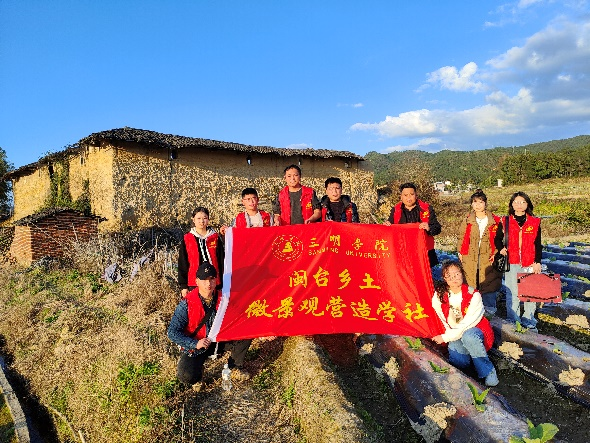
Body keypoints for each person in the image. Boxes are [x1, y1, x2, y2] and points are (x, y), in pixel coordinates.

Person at [167, 262, 250, 391]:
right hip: (198, 345)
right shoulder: (186, 304)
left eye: (211, 279)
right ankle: (199, 375)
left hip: (219, 341)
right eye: (204, 280)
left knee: (246, 333)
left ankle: (234, 367)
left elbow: (243, 318)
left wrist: (264, 332)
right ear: (196, 281)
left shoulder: (224, 298)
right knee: (185, 376)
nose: (208, 283)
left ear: (216, 280)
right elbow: (172, 332)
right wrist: (194, 344)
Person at [431, 260, 498, 387]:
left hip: (475, 330)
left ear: (462, 274)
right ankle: (472, 362)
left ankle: (488, 370)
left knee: (469, 337)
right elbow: (439, 315)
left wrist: (446, 337)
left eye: (456, 274)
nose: (453, 278)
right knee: (460, 362)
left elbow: (466, 324)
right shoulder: (440, 294)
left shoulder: (473, 295)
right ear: (444, 278)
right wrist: (448, 333)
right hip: (454, 332)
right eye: (449, 276)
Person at [495, 191, 542, 330]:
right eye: (516, 202)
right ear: (511, 204)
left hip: (529, 262)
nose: (519, 205)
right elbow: (497, 238)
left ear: (527, 204)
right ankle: (513, 320)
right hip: (512, 261)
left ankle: (529, 320)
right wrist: (501, 248)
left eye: (522, 202)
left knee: (530, 292)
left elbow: (538, 244)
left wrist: (537, 261)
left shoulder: (534, 221)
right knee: (512, 292)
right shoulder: (505, 221)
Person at [457, 189, 503, 314]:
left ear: (485, 204)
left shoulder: (495, 220)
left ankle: (490, 312)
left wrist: (496, 253)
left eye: (481, 202)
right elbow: (461, 236)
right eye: (475, 202)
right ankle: (471, 311)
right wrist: (460, 252)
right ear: (472, 204)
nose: (478, 205)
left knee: (489, 281)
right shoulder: (467, 220)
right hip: (470, 256)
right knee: (470, 281)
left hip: (488, 256)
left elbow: (500, 239)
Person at [383, 182, 441, 267]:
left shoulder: (427, 209)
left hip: (423, 251)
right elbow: (390, 228)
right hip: (402, 251)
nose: (409, 198)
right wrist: (386, 225)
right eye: (405, 195)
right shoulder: (395, 211)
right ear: (401, 197)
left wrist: (429, 228)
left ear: (416, 195)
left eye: (411, 194)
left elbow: (437, 228)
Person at [178, 207, 224, 298]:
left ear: (208, 219)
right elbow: (183, 263)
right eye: (198, 218)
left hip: (214, 281)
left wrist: (223, 283)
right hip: (194, 283)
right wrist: (183, 286)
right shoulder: (187, 239)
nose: (202, 221)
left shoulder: (215, 237)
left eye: (205, 218)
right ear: (193, 219)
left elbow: (221, 261)